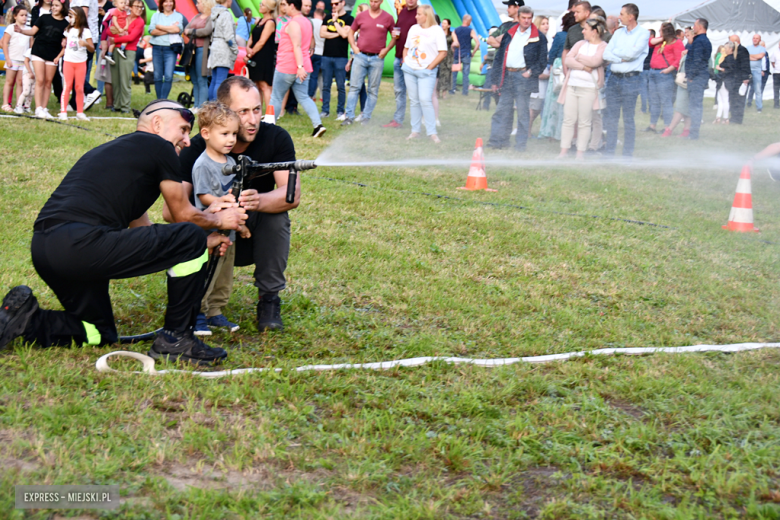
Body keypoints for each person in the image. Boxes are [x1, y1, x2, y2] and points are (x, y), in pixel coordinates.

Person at [0, 100, 247, 365]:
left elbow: (146, 232)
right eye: (184, 130)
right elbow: (183, 217)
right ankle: (176, 339)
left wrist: (201, 243)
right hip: (82, 245)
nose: (188, 141)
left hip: (46, 249)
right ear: (157, 124)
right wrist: (219, 218)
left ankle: (26, 320)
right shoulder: (159, 146)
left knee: (99, 332)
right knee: (189, 234)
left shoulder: (116, 153)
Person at [176, 76, 301, 332]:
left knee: (277, 216)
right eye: (242, 112)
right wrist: (212, 216)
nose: (253, 120)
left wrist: (257, 201)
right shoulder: (199, 146)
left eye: (257, 109)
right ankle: (197, 307)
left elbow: (292, 195)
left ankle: (269, 299)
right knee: (193, 221)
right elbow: (172, 210)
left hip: (251, 235)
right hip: (209, 234)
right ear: (223, 111)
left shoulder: (276, 138)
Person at [190, 102, 250, 336]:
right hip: (211, 231)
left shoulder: (232, 163)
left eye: (234, 133)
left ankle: (216, 311)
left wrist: (240, 223)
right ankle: (199, 313)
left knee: (224, 274)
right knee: (208, 271)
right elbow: (203, 196)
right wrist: (221, 202)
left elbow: (234, 199)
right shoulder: (203, 164)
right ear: (206, 134)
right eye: (224, 134)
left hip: (230, 232)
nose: (231, 139)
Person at [487, 5, 547, 151]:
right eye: (523, 18)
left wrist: (531, 71)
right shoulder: (509, 34)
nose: (526, 21)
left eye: (529, 18)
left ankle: (520, 145)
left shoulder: (539, 37)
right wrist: (495, 79)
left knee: (522, 112)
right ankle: (497, 141)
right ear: (518, 18)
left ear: (531, 19)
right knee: (502, 110)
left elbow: (542, 60)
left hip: (523, 77)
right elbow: (499, 57)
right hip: (507, 75)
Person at [268, 0, 325, 136]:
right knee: (304, 97)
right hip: (304, 65)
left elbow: (296, 46)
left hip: (288, 66)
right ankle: (318, 125)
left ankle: (268, 128)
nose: (284, 7)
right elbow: (309, 42)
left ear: (292, 5)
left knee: (276, 97)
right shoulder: (307, 21)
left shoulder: (293, 23)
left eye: (285, 4)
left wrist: (299, 66)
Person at [601, 3, 649, 157]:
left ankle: (627, 154)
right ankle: (609, 152)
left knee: (628, 119)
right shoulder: (618, 33)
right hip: (614, 79)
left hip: (631, 80)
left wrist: (617, 55)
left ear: (631, 16)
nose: (619, 17)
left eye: (622, 14)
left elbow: (631, 54)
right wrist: (620, 58)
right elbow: (606, 54)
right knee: (611, 118)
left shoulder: (643, 33)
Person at [557, 16, 606, 160]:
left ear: (594, 31)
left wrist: (578, 58)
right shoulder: (579, 44)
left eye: (585, 29)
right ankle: (563, 152)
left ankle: (580, 153)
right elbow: (568, 60)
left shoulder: (603, 46)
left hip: (589, 88)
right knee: (568, 119)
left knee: (584, 121)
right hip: (572, 86)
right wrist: (584, 66)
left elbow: (596, 61)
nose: (583, 31)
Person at [341, 0, 395, 126]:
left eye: (376, 1)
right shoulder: (361, 16)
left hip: (377, 58)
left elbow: (395, 36)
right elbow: (351, 32)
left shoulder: (388, 18)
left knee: (373, 89)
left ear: (381, 2)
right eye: (371, 1)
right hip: (361, 56)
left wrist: (387, 50)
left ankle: (366, 117)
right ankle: (349, 116)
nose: (373, 3)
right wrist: (354, 48)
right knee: (354, 87)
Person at [401, 4, 446, 142]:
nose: (416, 16)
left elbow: (443, 52)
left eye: (419, 14)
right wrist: (405, 61)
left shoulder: (437, 30)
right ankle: (415, 131)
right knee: (414, 101)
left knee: (425, 100)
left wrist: (429, 68)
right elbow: (406, 47)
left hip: (426, 72)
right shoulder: (413, 28)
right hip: (409, 69)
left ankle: (432, 132)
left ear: (427, 16)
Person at [20, 0, 69, 119]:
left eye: (57, 5)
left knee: (48, 82)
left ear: (63, 7)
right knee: (40, 80)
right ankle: (38, 108)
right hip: (39, 51)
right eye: (53, 5)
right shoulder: (44, 17)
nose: (54, 7)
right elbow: (33, 31)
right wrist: (21, 31)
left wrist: (61, 51)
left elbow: (66, 42)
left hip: (53, 54)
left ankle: (44, 107)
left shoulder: (66, 24)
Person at [538, 10, 575, 141]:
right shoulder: (578, 36)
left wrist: (549, 67)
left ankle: (551, 132)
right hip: (574, 67)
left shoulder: (560, 36)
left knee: (554, 100)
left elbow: (552, 54)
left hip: (559, 67)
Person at [382, 0, 417, 129]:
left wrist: (408, 56)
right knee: (399, 91)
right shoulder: (402, 12)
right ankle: (398, 120)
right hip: (398, 58)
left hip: (412, 60)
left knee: (415, 93)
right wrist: (395, 34)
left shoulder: (420, 13)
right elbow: (397, 31)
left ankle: (418, 121)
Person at [56, 5, 94, 121]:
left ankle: (80, 112)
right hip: (68, 61)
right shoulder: (68, 30)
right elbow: (65, 46)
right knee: (67, 86)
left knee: (79, 87)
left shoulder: (86, 32)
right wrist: (58, 56)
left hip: (81, 62)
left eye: (71, 16)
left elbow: (92, 48)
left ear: (78, 17)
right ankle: (63, 112)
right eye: (69, 16)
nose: (69, 18)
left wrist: (86, 44)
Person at [644, 22, 683, 133]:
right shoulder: (661, 41)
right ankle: (652, 125)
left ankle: (667, 127)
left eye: (661, 30)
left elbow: (678, 59)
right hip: (653, 73)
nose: (659, 32)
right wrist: (663, 38)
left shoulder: (676, 43)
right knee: (654, 101)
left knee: (666, 101)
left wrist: (668, 70)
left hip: (664, 74)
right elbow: (649, 42)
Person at [107, 0, 143, 112]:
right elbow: (110, 29)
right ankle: (117, 104)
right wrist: (114, 35)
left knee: (124, 79)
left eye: (141, 7)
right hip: (116, 49)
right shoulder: (123, 16)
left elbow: (131, 38)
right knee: (116, 78)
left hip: (129, 50)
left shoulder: (140, 21)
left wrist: (115, 39)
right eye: (136, 6)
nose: (139, 9)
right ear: (130, 7)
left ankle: (125, 106)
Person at [319, 0, 352, 120]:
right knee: (326, 85)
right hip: (327, 55)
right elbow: (322, 33)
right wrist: (338, 33)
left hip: (341, 57)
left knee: (340, 86)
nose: (333, 6)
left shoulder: (349, 18)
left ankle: (340, 111)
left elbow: (345, 34)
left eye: (336, 3)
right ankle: (325, 110)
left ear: (343, 3)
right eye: (332, 4)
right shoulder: (327, 17)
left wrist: (335, 22)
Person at [149, 0, 185, 100]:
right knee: (157, 76)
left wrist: (160, 27)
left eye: (170, 1)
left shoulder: (178, 16)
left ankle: (163, 99)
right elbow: (152, 31)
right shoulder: (156, 16)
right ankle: (159, 99)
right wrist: (170, 29)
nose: (168, 4)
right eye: (166, 1)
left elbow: (177, 30)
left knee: (168, 76)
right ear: (162, 3)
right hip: (157, 48)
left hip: (170, 48)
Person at [245, 0, 277, 112]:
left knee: (265, 86)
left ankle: (269, 113)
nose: (260, 6)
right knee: (257, 84)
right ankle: (258, 111)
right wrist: (248, 47)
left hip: (264, 57)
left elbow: (262, 41)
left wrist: (250, 53)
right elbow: (252, 38)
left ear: (268, 8)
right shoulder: (260, 21)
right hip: (255, 55)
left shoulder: (270, 23)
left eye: (262, 4)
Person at [183, 0, 214, 110]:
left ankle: (202, 106)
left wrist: (191, 32)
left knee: (202, 79)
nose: (197, 5)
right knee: (195, 79)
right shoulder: (196, 16)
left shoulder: (210, 17)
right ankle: (196, 104)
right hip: (193, 50)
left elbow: (206, 31)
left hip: (202, 50)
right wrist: (192, 31)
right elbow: (185, 28)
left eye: (199, 2)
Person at [207, 0, 238, 100]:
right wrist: (234, 49)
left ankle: (211, 105)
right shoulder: (226, 14)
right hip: (223, 48)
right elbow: (229, 37)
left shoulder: (214, 13)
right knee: (220, 80)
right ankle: (217, 107)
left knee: (214, 80)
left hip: (214, 46)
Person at [1, 6, 30, 113]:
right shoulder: (10, 28)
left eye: (26, 15)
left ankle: (19, 104)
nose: (24, 18)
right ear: (15, 16)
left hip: (23, 61)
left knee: (20, 83)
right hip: (12, 60)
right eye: (21, 15)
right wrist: (7, 58)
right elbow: (4, 43)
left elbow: (31, 45)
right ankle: (5, 104)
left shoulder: (28, 29)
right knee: (9, 82)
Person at [722, 36, 751, 125]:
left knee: (740, 99)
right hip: (734, 79)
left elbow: (745, 64)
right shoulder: (734, 51)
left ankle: (738, 119)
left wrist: (745, 78)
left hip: (741, 79)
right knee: (733, 99)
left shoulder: (742, 50)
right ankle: (733, 117)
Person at [451, 14, 479, 95]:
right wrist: (473, 53)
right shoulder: (471, 30)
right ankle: (465, 92)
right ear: (468, 21)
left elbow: (454, 43)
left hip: (457, 53)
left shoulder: (455, 30)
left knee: (454, 73)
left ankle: (452, 89)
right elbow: (478, 43)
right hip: (466, 54)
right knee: (466, 74)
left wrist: (454, 52)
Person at [561, 0, 590, 75]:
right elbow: (566, 50)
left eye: (578, 12)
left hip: (590, 73)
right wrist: (565, 70)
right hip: (573, 72)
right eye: (574, 12)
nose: (574, 15)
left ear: (587, 13)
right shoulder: (572, 30)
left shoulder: (596, 29)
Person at [745, 34, 766, 112]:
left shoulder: (762, 48)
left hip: (757, 72)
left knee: (758, 90)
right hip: (747, 71)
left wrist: (750, 56)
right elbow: (746, 56)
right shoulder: (748, 47)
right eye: (754, 38)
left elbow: (760, 56)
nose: (755, 39)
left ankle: (759, 108)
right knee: (745, 89)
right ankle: (742, 107)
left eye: (757, 38)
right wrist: (755, 57)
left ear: (759, 40)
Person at [102, 0, 127, 65]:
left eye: (124, 3)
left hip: (120, 29)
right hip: (115, 29)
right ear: (116, 4)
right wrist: (119, 28)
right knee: (125, 38)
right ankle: (121, 49)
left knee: (113, 43)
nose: (123, 4)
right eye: (121, 3)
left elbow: (126, 20)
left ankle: (109, 55)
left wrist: (126, 26)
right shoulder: (115, 11)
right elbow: (114, 21)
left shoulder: (124, 12)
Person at [307, 6, 324, 102]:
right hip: (321, 52)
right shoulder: (323, 24)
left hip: (311, 51)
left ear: (315, 14)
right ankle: (321, 96)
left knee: (310, 75)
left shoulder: (310, 22)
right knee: (319, 76)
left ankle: (311, 95)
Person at [436, 17, 455, 99]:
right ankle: (437, 93)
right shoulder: (438, 33)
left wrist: (454, 46)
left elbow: (456, 43)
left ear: (449, 25)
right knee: (438, 74)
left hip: (448, 57)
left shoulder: (451, 34)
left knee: (446, 75)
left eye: (445, 23)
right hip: (439, 55)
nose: (443, 25)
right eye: (442, 23)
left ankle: (444, 94)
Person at [712, 44, 728, 124]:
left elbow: (727, 69)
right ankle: (719, 117)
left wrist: (719, 68)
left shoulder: (725, 58)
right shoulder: (722, 57)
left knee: (724, 99)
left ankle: (725, 118)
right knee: (720, 99)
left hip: (724, 80)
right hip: (721, 79)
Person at [639, 28, 654, 114]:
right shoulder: (655, 46)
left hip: (644, 68)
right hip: (650, 68)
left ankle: (644, 109)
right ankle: (651, 108)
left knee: (644, 91)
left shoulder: (644, 45)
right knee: (650, 91)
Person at [770, 40, 780, 109]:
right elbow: (772, 62)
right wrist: (776, 67)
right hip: (776, 73)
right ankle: (776, 105)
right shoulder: (775, 52)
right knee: (776, 89)